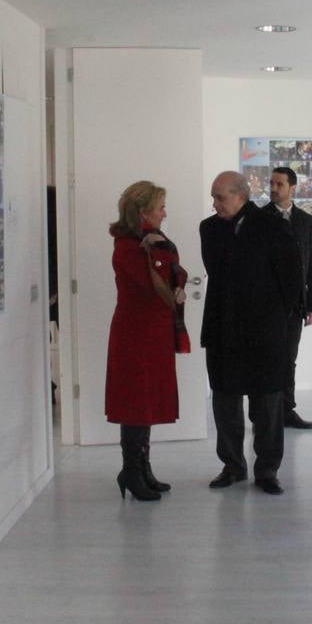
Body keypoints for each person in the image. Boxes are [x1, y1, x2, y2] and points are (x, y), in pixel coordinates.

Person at [200, 171, 299, 494]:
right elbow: (217, 272)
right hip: (223, 329)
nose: (215, 204)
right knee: (225, 401)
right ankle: (232, 465)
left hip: (264, 331)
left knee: (268, 403)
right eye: (214, 197)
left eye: (221, 197)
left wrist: (282, 321)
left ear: (241, 195)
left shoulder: (272, 226)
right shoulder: (210, 229)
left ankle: (267, 470)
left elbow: (291, 279)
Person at [104, 181, 189, 501]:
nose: (164, 214)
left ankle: (141, 468)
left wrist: (161, 252)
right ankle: (131, 470)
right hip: (135, 333)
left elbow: (176, 274)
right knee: (135, 402)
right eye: (160, 208)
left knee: (148, 400)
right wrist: (162, 254)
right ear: (143, 212)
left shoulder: (150, 241)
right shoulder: (128, 245)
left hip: (153, 330)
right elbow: (156, 282)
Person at [264, 167, 312, 429]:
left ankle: (287, 410)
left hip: (296, 306)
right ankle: (266, 414)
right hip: (267, 306)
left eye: (280, 184)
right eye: (272, 183)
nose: (274, 188)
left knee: (289, 358)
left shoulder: (305, 221)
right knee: (267, 358)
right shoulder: (261, 219)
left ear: (292, 188)